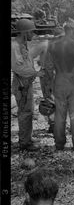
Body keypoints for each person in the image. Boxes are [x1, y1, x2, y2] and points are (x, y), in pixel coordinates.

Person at [45, 18, 74, 151]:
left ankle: (59, 143)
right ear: (71, 30)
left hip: (59, 80)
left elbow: (48, 67)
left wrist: (50, 84)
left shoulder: (52, 45)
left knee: (59, 114)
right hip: (73, 81)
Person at [11, 19, 45, 151]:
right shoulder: (14, 47)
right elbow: (18, 68)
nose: (34, 34)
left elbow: (26, 61)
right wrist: (36, 73)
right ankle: (24, 143)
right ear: (25, 32)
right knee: (25, 112)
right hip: (21, 84)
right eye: (32, 31)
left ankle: (27, 138)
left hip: (26, 83)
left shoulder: (22, 44)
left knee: (29, 111)